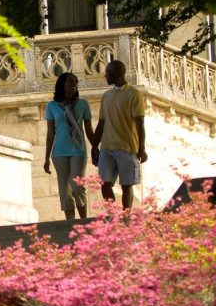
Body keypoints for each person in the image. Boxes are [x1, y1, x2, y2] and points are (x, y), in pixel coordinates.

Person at [91, 60, 147, 208]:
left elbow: (140, 123)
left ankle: (126, 216)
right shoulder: (106, 96)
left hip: (127, 147)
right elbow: (101, 124)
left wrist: (142, 148)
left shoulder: (134, 94)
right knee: (104, 183)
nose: (105, 76)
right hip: (106, 147)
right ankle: (112, 214)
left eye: (108, 73)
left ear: (118, 74)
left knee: (126, 185)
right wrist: (94, 146)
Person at [44, 72, 95, 219]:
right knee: (64, 190)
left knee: (77, 186)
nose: (73, 85)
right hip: (59, 151)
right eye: (70, 82)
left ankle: (84, 221)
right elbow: (50, 133)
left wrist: (95, 148)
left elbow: (89, 130)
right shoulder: (52, 106)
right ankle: (70, 224)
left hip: (78, 150)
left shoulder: (83, 104)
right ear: (62, 85)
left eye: (75, 82)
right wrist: (46, 159)